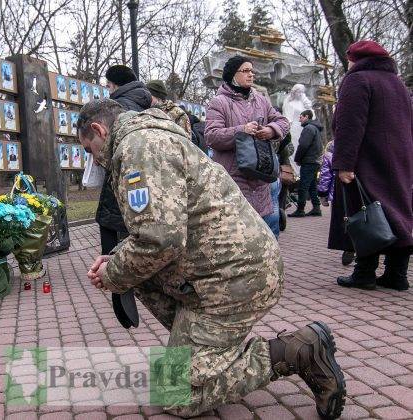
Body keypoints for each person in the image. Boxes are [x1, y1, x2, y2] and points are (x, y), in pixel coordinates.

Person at [79, 99, 346, 419]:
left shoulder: (139, 147)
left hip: (234, 277)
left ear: (99, 129)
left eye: (88, 148)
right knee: (138, 274)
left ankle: (296, 352)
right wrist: (116, 260)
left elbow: (159, 240)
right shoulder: (150, 138)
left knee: (176, 395)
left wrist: (113, 274)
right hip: (222, 272)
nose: (93, 158)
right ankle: (212, 350)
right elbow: (158, 232)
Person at [330, 40, 412, 291]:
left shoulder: (358, 80)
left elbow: (349, 126)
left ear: (356, 58)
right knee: (398, 211)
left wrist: (344, 163)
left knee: (363, 210)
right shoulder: (397, 84)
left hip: (367, 159)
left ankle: (364, 272)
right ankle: (396, 274)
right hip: (400, 158)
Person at [205, 56, 290, 233]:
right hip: (234, 177)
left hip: (261, 176)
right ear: (232, 75)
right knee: (239, 233)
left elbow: (282, 121)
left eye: (252, 71)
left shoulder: (260, 100)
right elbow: (211, 136)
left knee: (267, 231)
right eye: (245, 71)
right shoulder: (219, 102)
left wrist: (272, 130)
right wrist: (241, 130)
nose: (251, 74)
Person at [97, 64, 152, 256]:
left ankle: (116, 279)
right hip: (147, 178)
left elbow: (109, 149)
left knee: (115, 241)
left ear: (112, 85)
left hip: (122, 179)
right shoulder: (148, 104)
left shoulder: (117, 108)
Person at [288, 110, 324, 217]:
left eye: (301, 117)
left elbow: (303, 145)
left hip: (309, 161)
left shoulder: (308, 128)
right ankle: (316, 208)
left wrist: (298, 158)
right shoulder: (315, 128)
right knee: (312, 185)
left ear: (306, 117)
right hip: (315, 161)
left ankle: (300, 209)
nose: (299, 120)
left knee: (303, 186)